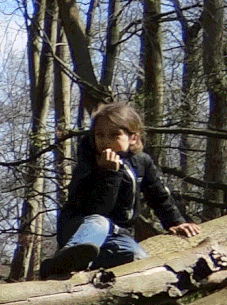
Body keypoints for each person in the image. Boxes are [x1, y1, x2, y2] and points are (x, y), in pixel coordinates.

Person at [38, 100, 201, 278]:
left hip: (118, 233)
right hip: (82, 227)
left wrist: (175, 223)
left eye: (114, 135)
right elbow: (97, 209)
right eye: (100, 135)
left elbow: (159, 196)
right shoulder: (89, 163)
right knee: (100, 222)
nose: (105, 142)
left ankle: (92, 263)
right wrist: (108, 173)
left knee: (136, 256)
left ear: (133, 138)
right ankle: (64, 261)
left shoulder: (142, 162)